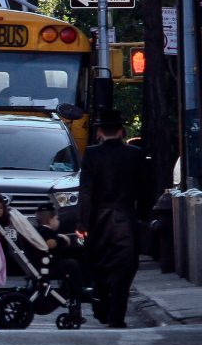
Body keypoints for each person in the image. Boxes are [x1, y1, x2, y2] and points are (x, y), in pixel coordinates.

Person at [78, 109, 152, 328]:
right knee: (124, 268)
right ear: (121, 132)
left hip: (99, 220)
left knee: (99, 265)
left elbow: (86, 192)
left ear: (100, 132)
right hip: (126, 219)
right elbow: (144, 190)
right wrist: (143, 217)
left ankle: (102, 306)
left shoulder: (91, 155)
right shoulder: (135, 154)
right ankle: (116, 315)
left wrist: (82, 222)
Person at [33, 202, 86, 312]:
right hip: (48, 266)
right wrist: (63, 239)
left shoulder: (38, 231)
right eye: (57, 219)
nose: (58, 221)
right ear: (50, 220)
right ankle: (78, 290)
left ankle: (74, 290)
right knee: (73, 264)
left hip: (43, 262)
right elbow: (52, 243)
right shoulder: (46, 232)